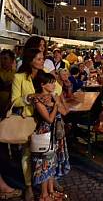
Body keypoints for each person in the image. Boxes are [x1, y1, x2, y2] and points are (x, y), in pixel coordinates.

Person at [11, 48, 45, 201]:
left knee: (45, 153)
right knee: (27, 154)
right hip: (28, 119)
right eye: (38, 59)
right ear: (30, 60)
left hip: (44, 119)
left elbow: (55, 91)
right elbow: (14, 101)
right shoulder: (19, 77)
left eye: (42, 58)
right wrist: (29, 97)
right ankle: (29, 186)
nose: (42, 61)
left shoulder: (44, 76)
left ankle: (47, 182)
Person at [31, 72, 67, 201]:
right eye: (50, 83)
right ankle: (43, 195)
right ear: (42, 84)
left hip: (55, 134)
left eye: (53, 82)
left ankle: (51, 192)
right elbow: (49, 119)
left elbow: (65, 111)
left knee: (52, 163)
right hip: (45, 134)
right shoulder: (38, 99)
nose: (53, 85)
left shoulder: (52, 96)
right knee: (44, 164)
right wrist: (56, 104)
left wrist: (57, 101)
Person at [0, 50, 16, 114]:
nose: (2, 61)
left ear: (12, 61)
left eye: (5, 58)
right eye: (1, 58)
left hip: (9, 108)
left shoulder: (16, 75)